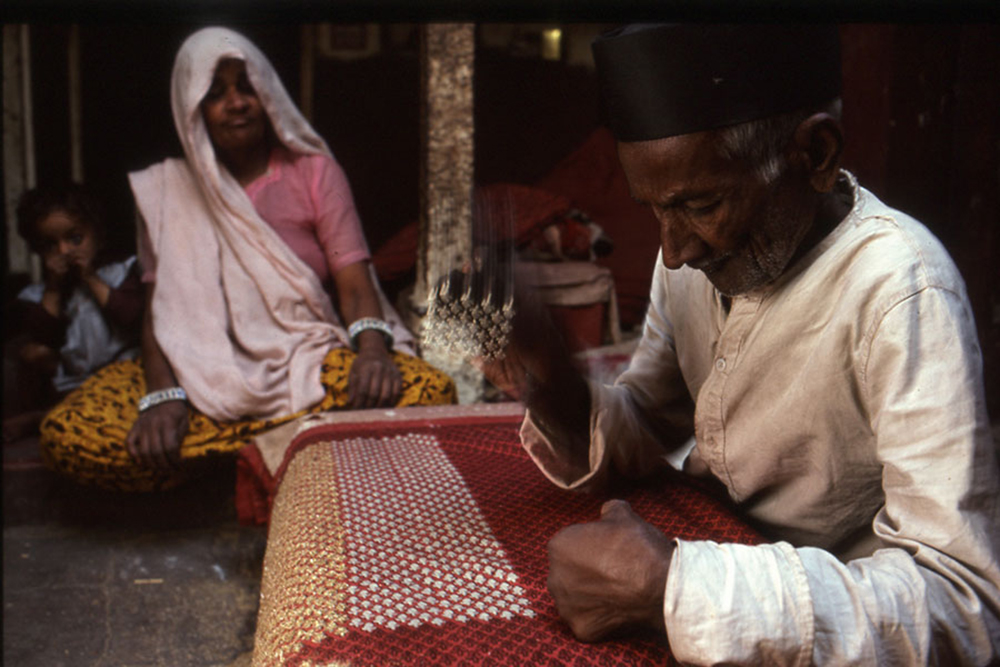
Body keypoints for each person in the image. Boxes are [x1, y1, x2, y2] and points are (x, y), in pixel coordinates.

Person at [478, 24, 1000, 664]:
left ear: (814, 154)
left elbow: (964, 602)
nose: (674, 250)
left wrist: (678, 588)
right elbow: (652, 420)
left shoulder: (903, 290)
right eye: (655, 210)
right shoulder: (693, 258)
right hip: (714, 541)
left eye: (701, 203)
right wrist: (555, 380)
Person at [39, 27, 456, 492]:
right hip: (198, 377)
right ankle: (280, 452)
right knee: (67, 434)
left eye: (246, 86)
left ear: (268, 91)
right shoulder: (166, 192)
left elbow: (354, 283)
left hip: (306, 361)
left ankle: (237, 461)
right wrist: (163, 396)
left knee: (428, 392)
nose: (236, 103)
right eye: (215, 93)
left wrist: (374, 354)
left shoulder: (314, 172)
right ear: (191, 109)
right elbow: (159, 310)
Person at [9, 182, 142, 411]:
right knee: (31, 353)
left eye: (75, 239)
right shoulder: (43, 293)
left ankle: (37, 420)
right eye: (50, 245)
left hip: (123, 370)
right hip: (74, 379)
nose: (64, 251)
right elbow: (44, 336)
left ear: (98, 236)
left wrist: (90, 278)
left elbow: (130, 316)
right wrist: (53, 287)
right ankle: (39, 414)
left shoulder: (121, 273)